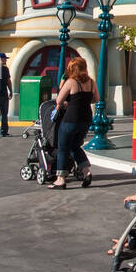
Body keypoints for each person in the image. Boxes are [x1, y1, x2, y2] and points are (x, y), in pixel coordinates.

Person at [48, 57, 96, 188]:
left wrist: (68, 103)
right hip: (86, 119)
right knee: (75, 146)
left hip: (71, 118)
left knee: (63, 147)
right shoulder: (91, 82)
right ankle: (86, 172)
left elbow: (58, 100)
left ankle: (60, 179)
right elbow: (95, 99)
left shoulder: (71, 82)